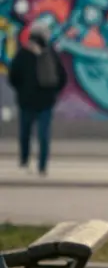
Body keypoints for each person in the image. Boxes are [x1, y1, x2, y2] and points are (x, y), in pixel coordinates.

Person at [7, 21, 68, 176]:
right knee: (43, 135)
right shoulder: (50, 54)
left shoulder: (23, 54)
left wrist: (21, 90)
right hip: (45, 101)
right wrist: (53, 92)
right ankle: (41, 166)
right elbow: (62, 77)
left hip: (27, 100)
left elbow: (13, 77)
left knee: (26, 133)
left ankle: (25, 161)